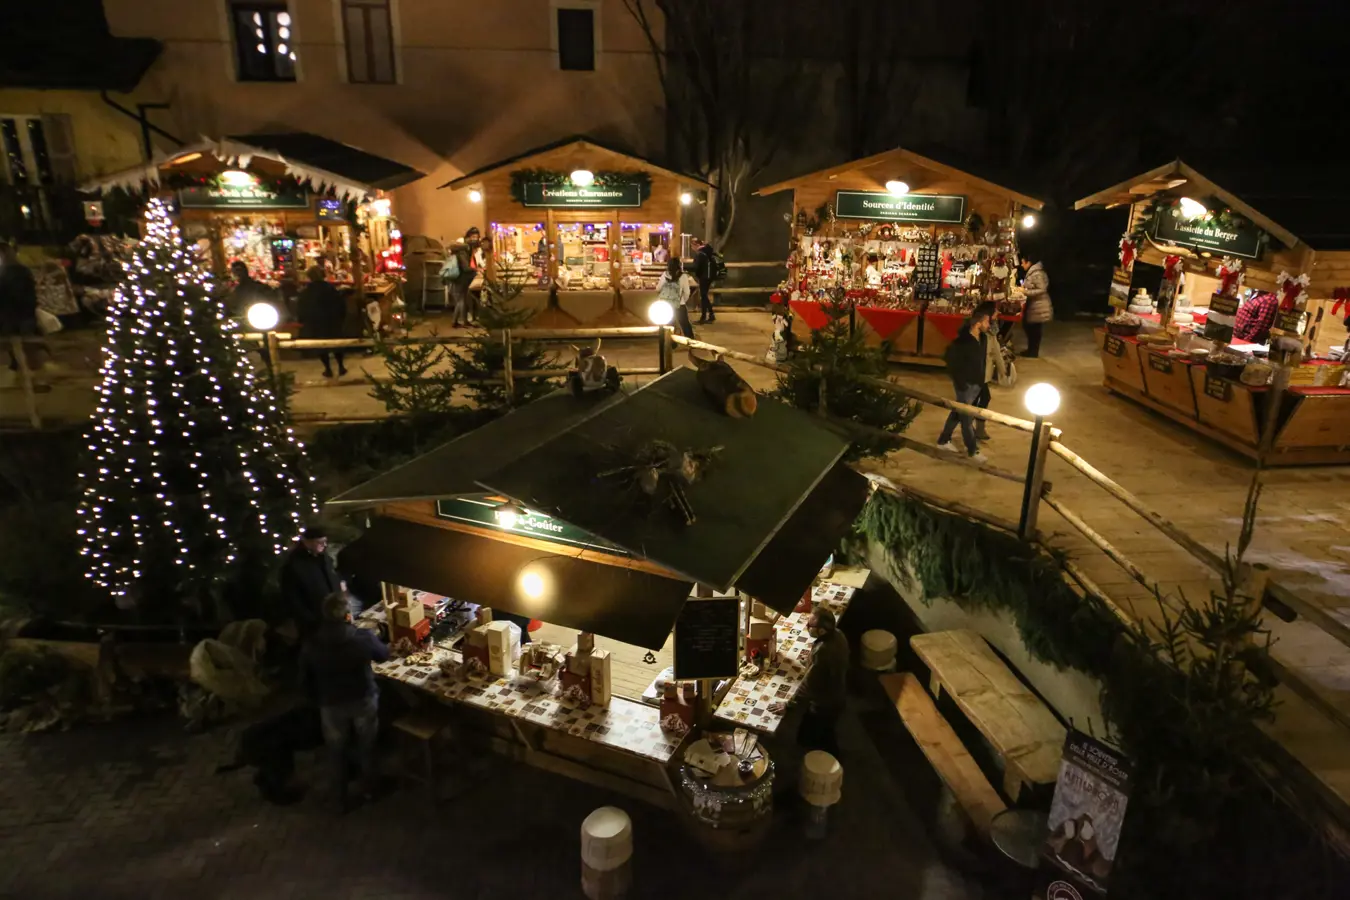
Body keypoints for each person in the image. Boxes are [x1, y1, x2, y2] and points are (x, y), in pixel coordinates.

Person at [300, 591, 390, 810]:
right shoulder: (362, 638)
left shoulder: (311, 644)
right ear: (348, 616)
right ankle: (370, 790)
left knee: (336, 751)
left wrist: (318, 700)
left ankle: (339, 800)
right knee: (367, 745)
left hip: (330, 704)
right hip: (362, 699)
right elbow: (383, 655)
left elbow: (304, 680)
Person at [769, 608, 848, 757]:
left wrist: (788, 705)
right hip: (838, 694)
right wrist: (809, 662)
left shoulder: (823, 651)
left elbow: (808, 685)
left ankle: (826, 763)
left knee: (812, 737)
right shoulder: (838, 635)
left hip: (825, 703)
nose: (806, 627)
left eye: (810, 625)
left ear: (822, 631)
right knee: (826, 730)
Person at [936, 307, 992, 462]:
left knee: (957, 412)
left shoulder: (983, 339)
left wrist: (981, 383)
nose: (989, 324)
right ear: (978, 323)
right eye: (987, 321)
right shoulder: (962, 342)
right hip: (966, 385)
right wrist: (960, 383)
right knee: (966, 418)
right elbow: (951, 361)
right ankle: (972, 450)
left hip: (976, 385)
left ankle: (943, 440)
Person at [279, 526, 344, 638]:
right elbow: (292, 598)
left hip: (334, 616)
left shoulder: (325, 558)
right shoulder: (293, 565)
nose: (324, 545)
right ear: (307, 542)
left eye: (325, 541)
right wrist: (310, 619)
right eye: (320, 542)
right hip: (315, 623)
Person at [296, 266, 347, 377]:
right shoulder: (330, 288)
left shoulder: (306, 292)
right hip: (332, 320)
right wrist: (341, 317)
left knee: (321, 346)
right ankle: (341, 366)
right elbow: (340, 304)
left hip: (316, 322)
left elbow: (302, 308)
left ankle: (328, 368)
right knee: (337, 343)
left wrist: (304, 321)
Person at [0, 242, 39, 372]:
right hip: (18, 313)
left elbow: (18, 293)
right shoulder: (20, 270)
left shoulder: (14, 272)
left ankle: (31, 373)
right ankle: (24, 368)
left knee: (24, 343)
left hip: (16, 313)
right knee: (18, 344)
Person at [974, 300, 1000, 443]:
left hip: (981, 372)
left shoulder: (990, 330)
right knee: (974, 401)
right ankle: (947, 435)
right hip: (976, 372)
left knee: (977, 400)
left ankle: (977, 428)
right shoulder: (979, 330)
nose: (998, 313)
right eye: (995, 311)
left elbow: (995, 350)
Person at [1020, 255, 1053, 358]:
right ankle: (1031, 350)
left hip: (1039, 306)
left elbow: (1042, 289)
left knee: (1034, 329)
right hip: (1035, 306)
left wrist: (1025, 292)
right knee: (1031, 328)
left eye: (1023, 262)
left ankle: (1033, 352)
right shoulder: (1033, 273)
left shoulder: (1037, 273)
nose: (1021, 265)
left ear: (1028, 263)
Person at [655, 257, 696, 338]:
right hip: (679, 304)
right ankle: (691, 342)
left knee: (669, 324)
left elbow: (658, 288)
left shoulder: (665, 274)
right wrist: (682, 300)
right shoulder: (683, 276)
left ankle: (671, 343)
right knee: (684, 323)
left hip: (666, 304)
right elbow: (687, 292)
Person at [449, 228, 479, 327]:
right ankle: (459, 321)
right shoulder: (463, 250)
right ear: (468, 237)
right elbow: (465, 267)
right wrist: (476, 270)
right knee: (461, 299)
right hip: (460, 278)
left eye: (476, 237)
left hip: (463, 278)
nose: (475, 239)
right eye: (473, 237)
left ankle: (459, 321)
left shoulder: (467, 248)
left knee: (463, 299)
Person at [691, 237, 717, 324]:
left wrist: (696, 275)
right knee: (704, 296)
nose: (692, 248)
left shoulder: (701, 254)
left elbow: (697, 267)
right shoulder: (707, 252)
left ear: (697, 245)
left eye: (693, 245)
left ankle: (704, 317)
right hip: (709, 276)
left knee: (703, 296)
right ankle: (710, 315)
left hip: (704, 277)